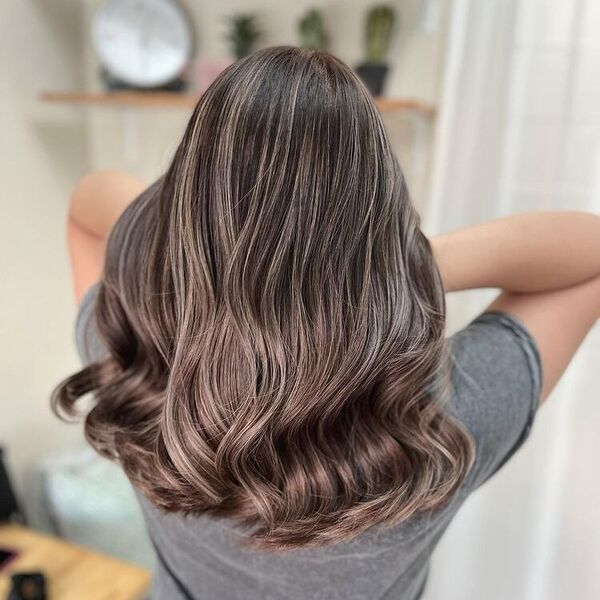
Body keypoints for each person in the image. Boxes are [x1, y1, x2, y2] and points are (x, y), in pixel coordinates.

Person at [52, 47, 600, 600]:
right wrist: (402, 272)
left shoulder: (131, 367)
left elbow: (89, 201)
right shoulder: (443, 419)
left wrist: (183, 251)